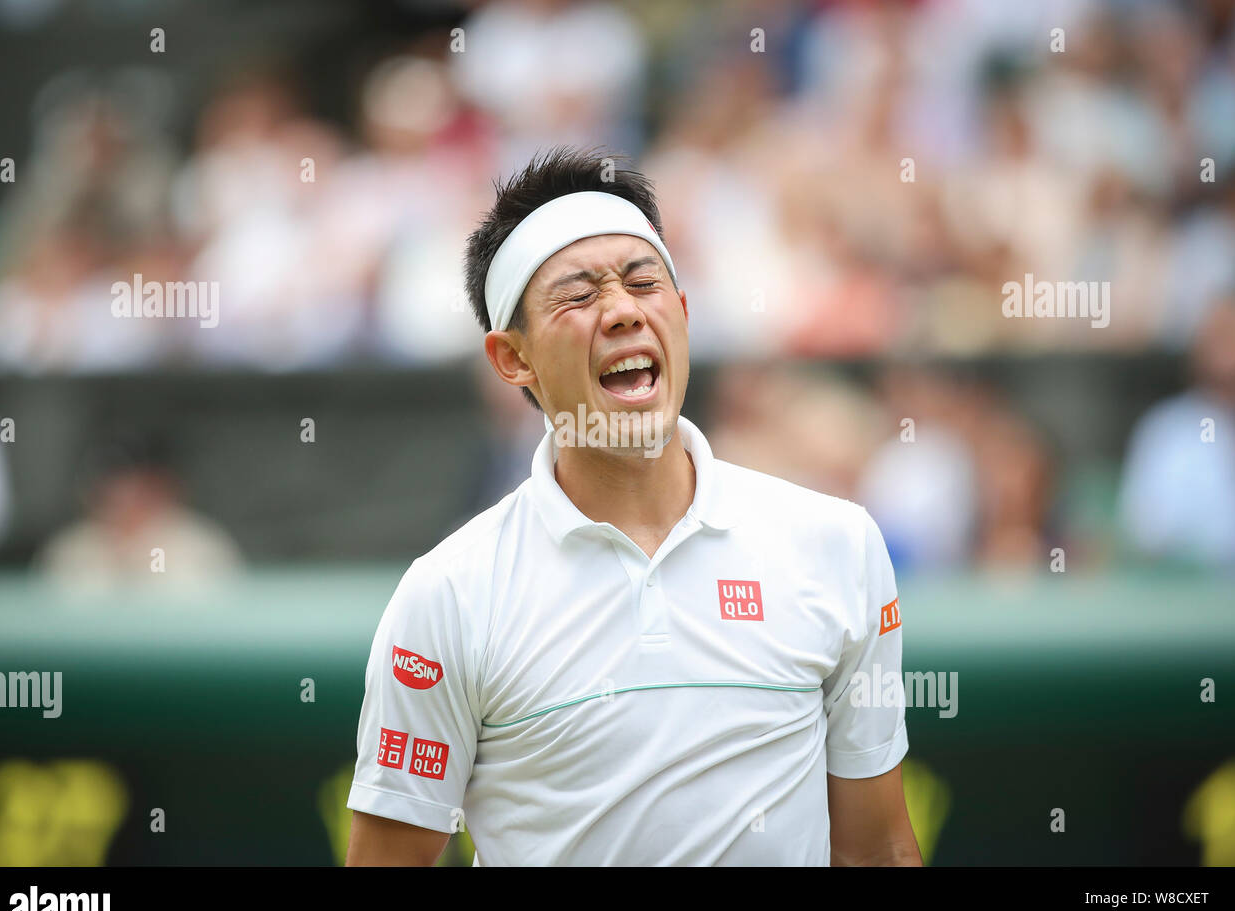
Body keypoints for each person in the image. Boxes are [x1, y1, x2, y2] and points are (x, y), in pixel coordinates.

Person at [345, 147, 920, 866]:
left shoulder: (836, 542)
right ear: (511, 358)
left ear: (680, 312)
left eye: (644, 282)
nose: (621, 310)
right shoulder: (448, 595)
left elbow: (876, 849)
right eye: (578, 295)